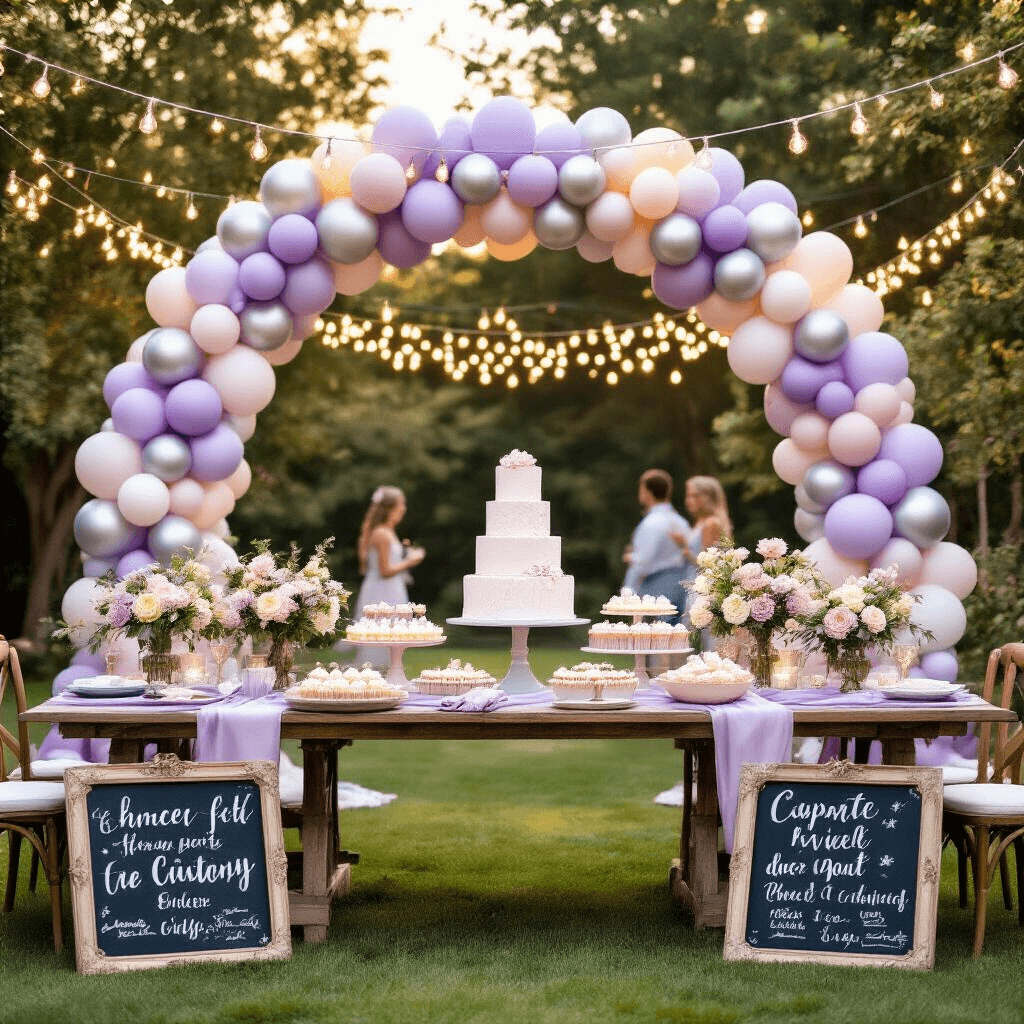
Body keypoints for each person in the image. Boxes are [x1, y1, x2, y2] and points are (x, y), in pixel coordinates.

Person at [351, 486, 425, 666]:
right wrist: (411, 561)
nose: (404, 509)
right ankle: (375, 671)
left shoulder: (387, 531)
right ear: (391, 508)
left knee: (392, 634)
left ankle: (391, 671)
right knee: (382, 633)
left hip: (391, 588)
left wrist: (406, 556)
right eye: (401, 505)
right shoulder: (381, 534)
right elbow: (385, 571)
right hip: (382, 591)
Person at [622, 469, 690, 617]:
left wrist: (627, 593)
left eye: (641, 488)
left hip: (654, 594)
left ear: (648, 492)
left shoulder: (651, 524)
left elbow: (642, 563)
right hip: (681, 592)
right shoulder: (682, 522)